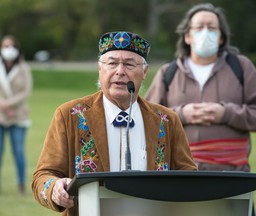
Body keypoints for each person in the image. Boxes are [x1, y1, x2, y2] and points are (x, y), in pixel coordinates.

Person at [32, 31, 197, 216]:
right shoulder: (69, 115)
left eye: (129, 64)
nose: (120, 71)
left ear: (144, 72)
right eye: (111, 63)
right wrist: (54, 188)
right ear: (100, 69)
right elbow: (42, 176)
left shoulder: (166, 120)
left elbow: (188, 176)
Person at [145, 4, 256, 215]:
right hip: (178, 178)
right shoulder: (169, 73)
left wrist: (227, 113)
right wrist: (182, 114)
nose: (206, 32)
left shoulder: (241, 67)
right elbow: (147, 120)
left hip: (232, 178)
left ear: (222, 37)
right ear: (187, 36)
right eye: (199, 27)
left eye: (212, 28)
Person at [0, 35, 33, 195]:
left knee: (18, 151)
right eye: (5, 46)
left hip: (18, 115)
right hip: (0, 114)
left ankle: (21, 185)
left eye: (11, 46)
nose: (8, 49)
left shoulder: (23, 68)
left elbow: (26, 91)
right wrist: (3, 104)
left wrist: (9, 104)